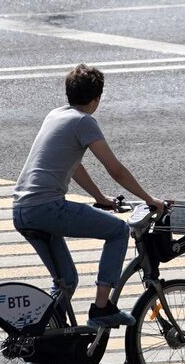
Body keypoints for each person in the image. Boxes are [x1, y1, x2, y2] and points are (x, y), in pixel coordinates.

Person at [11, 64, 166, 329]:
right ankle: (102, 308)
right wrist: (150, 199)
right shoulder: (84, 122)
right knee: (118, 231)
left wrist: (100, 197)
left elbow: (74, 165)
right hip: (47, 208)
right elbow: (115, 169)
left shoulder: (56, 115)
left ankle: (39, 352)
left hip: (22, 209)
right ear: (97, 98)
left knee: (66, 281)